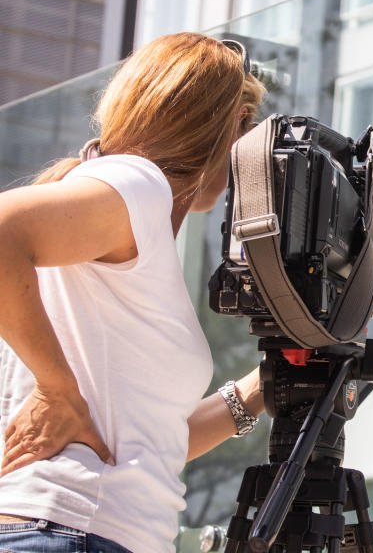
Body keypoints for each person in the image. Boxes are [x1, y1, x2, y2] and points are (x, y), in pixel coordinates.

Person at [0, 32, 268, 553]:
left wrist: (258, 391)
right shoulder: (138, 184)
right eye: (247, 131)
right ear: (223, 129)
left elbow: (147, 445)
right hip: (69, 532)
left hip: (76, 531)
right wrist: (57, 389)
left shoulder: (123, 215)